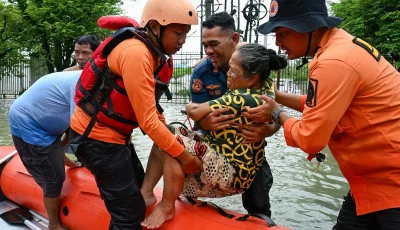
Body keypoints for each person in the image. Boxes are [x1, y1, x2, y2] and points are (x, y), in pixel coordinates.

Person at [243, 0, 400, 229]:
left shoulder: (333, 61)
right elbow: (325, 105)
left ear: (311, 27)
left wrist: (277, 113)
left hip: (392, 184)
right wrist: (277, 96)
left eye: (284, 33)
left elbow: (310, 139)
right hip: (370, 182)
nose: (277, 42)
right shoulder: (341, 46)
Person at [67, 0, 201, 229]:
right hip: (96, 140)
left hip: (116, 137)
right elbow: (148, 122)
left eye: (186, 34)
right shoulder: (137, 53)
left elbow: (151, 110)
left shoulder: (153, 52)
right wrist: (186, 158)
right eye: (178, 33)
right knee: (128, 214)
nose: (182, 41)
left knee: (141, 191)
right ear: (155, 27)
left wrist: (169, 135)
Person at [140, 43, 287, 229]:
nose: (228, 73)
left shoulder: (240, 97)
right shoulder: (265, 86)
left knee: (169, 135)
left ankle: (166, 205)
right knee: (170, 131)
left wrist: (192, 109)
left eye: (234, 70)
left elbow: (194, 111)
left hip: (232, 173)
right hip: (238, 164)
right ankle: (147, 193)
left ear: (251, 79)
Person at [189, 12, 280, 218]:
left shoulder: (254, 61)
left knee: (258, 201)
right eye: (205, 45)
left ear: (234, 40)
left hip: (248, 147)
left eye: (214, 44)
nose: (208, 51)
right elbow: (196, 114)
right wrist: (205, 121)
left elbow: (274, 109)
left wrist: (271, 129)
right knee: (189, 184)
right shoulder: (201, 73)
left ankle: (260, 218)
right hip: (215, 143)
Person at [9, 71, 82, 230]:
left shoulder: (85, 76)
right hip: (30, 123)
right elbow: (80, 127)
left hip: (48, 120)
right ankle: (54, 224)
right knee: (54, 176)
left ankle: (61, 155)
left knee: (71, 136)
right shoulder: (80, 84)